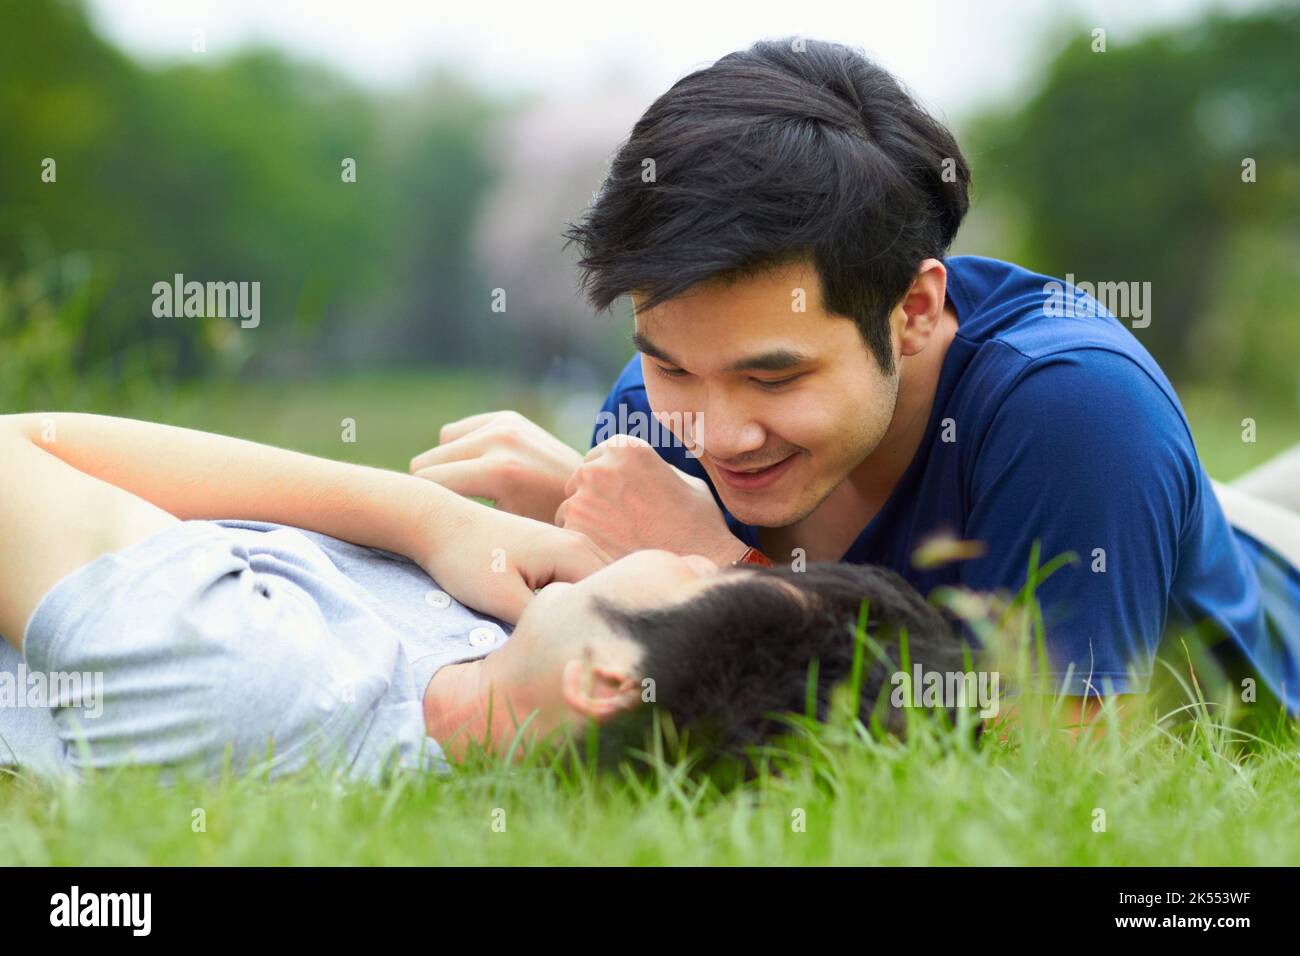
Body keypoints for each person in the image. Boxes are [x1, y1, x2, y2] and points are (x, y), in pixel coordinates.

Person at [407, 37, 1300, 723]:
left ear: (913, 312)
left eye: (773, 376)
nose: (714, 434)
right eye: (671, 360)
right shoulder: (650, 421)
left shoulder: (1078, 416)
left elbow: (1061, 784)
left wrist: (724, 571)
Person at [0, 412, 969, 783]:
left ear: (602, 680)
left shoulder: (255, 676)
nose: (678, 555)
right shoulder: (500, 654)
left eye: (695, 574)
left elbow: (19, 446)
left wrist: (426, 515)